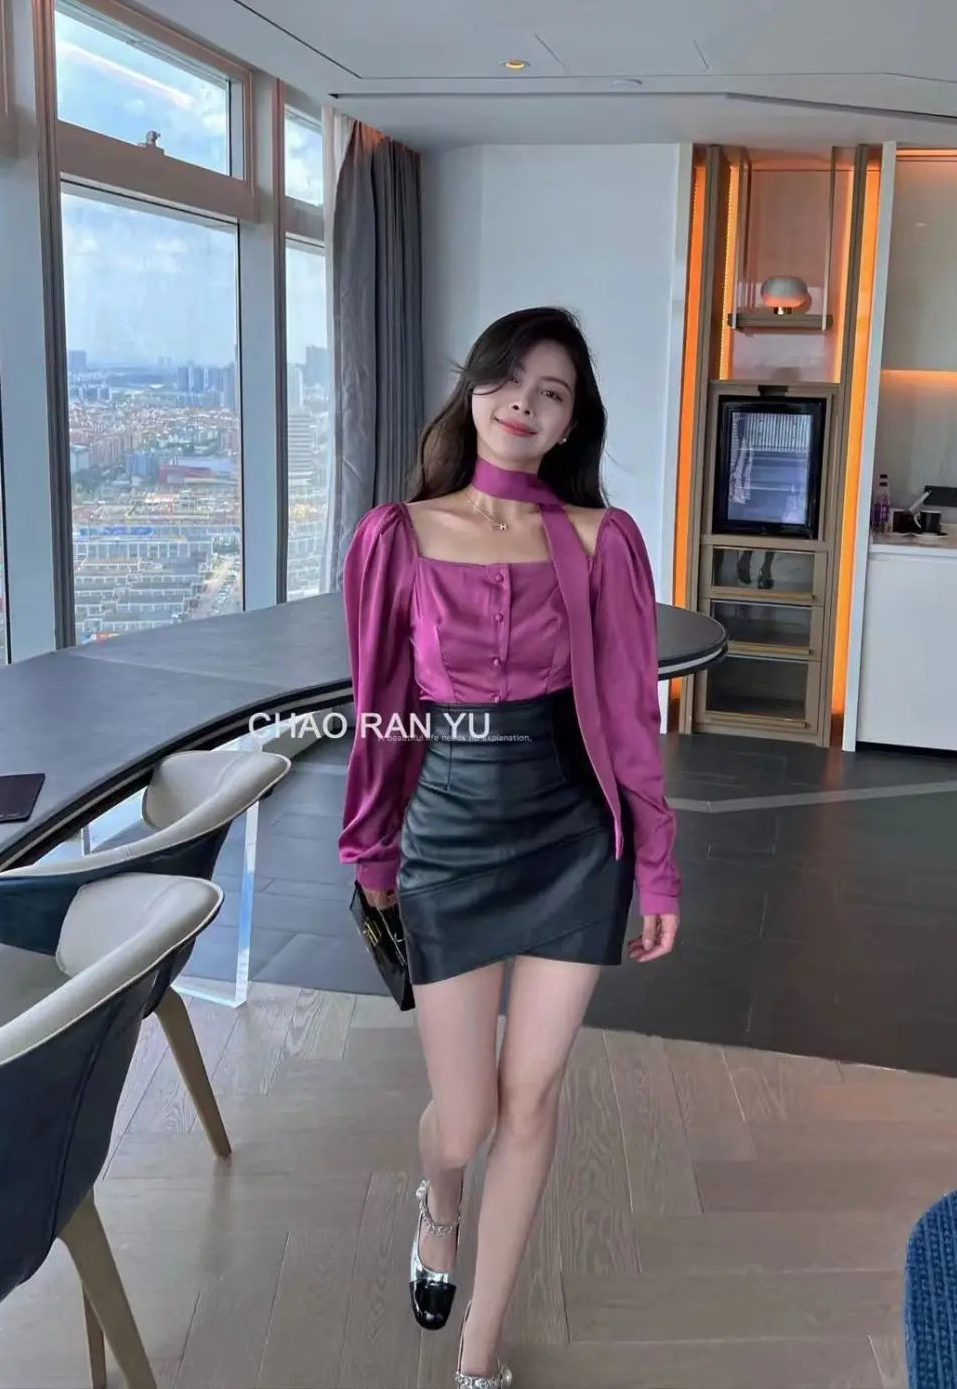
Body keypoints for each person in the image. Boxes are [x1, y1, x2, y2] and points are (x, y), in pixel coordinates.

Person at [338, 306, 681, 1388]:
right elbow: (382, 709)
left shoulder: (600, 540)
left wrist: (656, 862)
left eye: (553, 393)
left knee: (531, 1100)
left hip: (575, 839)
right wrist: (372, 854)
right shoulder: (395, 535)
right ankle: (439, 1200)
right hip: (447, 837)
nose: (524, 404)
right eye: (509, 380)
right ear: (475, 387)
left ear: (572, 421)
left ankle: (479, 1352)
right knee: (467, 1117)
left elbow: (629, 715)